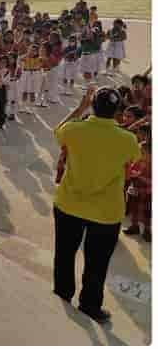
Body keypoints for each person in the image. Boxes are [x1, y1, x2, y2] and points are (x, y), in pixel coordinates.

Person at [53, 86, 142, 324]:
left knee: (64, 253)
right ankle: (90, 305)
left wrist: (79, 107)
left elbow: (58, 130)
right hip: (106, 212)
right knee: (97, 263)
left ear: (92, 105)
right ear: (117, 111)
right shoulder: (128, 140)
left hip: (69, 204)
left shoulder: (74, 129)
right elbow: (133, 159)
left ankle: (62, 293)